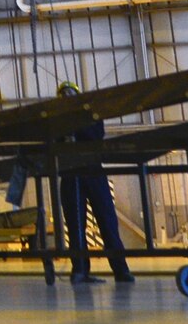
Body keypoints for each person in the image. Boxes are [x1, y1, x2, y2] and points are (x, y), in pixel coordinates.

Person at [56, 81, 134, 284]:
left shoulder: (91, 117)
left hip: (93, 172)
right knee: (75, 224)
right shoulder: (57, 123)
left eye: (71, 94)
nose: (68, 97)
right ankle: (80, 270)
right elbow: (52, 143)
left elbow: (96, 135)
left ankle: (121, 270)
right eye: (64, 95)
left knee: (107, 221)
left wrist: (76, 128)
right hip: (71, 175)